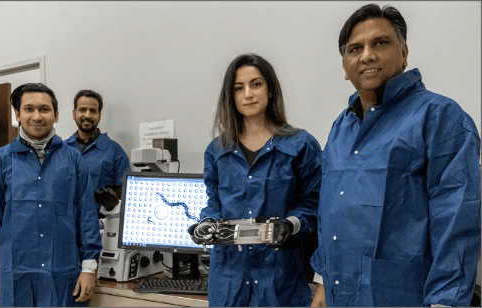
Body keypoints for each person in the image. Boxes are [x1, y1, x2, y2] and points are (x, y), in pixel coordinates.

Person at [310, 4, 481, 307]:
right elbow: (331, 210)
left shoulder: (440, 117)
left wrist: (446, 302)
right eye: (355, 48)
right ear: (345, 67)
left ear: (404, 52)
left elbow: (458, 221)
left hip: (407, 297)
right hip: (341, 294)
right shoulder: (342, 126)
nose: (367, 55)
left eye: (380, 43)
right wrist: (322, 280)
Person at [196, 53, 322, 307]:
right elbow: (214, 202)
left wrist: (291, 224)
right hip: (228, 282)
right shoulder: (217, 150)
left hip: (279, 282)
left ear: (270, 89)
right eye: (238, 88)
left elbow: (315, 203)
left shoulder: (301, 145)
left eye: (256, 84)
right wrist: (207, 223)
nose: (248, 94)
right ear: (230, 96)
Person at [0, 83, 102, 306]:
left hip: (64, 269)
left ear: (56, 115)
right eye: (28, 109)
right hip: (18, 269)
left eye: (44, 109)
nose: (37, 116)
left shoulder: (74, 160)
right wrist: (16, 245)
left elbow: (86, 214)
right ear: (17, 114)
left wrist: (88, 268)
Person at [64, 89, 130, 203]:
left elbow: (125, 194)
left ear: (99, 116)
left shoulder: (115, 151)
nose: (87, 115)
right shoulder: (61, 150)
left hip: (100, 219)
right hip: (66, 219)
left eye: (93, 111)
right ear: (74, 114)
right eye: (82, 110)